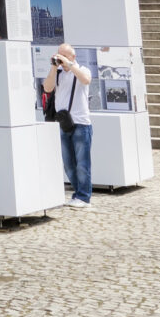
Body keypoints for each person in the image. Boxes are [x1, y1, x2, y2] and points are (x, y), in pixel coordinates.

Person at [45, 42, 96, 206]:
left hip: (81, 123)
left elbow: (86, 80)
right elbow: (47, 88)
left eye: (64, 55)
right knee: (68, 164)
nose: (62, 58)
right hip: (63, 123)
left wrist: (70, 65)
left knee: (82, 163)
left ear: (73, 57)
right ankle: (78, 193)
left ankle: (84, 197)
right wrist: (54, 67)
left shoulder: (82, 70)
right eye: (59, 54)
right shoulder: (58, 73)